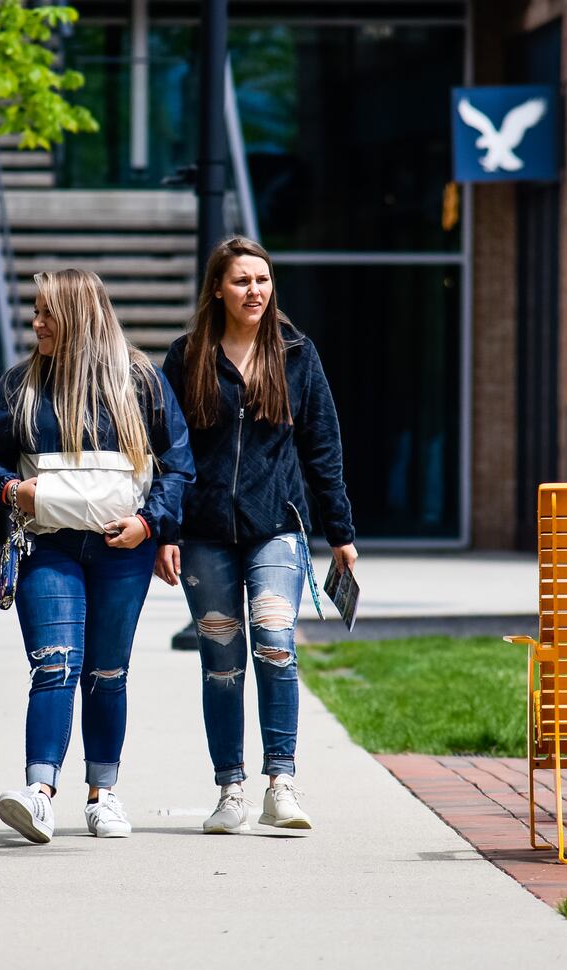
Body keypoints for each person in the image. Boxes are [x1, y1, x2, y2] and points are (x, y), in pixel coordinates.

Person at [0, 268, 193, 843]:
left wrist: (149, 525)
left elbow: (178, 465)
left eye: (47, 312)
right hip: (46, 545)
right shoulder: (20, 386)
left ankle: (103, 793)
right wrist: (9, 491)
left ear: (78, 316)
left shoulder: (140, 381)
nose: (36, 322)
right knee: (54, 662)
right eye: (35, 310)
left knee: (106, 673)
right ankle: (39, 794)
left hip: (125, 550)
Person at [158, 235, 356, 835]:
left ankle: (281, 782)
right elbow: (167, 449)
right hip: (204, 532)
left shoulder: (297, 353)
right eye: (242, 281)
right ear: (218, 287)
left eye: (263, 281)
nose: (255, 292)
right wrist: (164, 526)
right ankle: (230, 790)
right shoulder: (186, 355)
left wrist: (341, 532)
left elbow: (322, 447)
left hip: (278, 528)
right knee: (221, 660)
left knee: (274, 642)